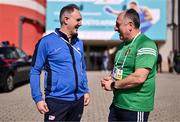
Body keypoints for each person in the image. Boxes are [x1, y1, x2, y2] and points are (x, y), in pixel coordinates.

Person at [30, 4, 90, 121]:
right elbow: (35, 71)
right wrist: (38, 98)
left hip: (78, 101)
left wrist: (85, 91)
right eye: (78, 20)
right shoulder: (46, 42)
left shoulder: (79, 43)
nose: (81, 23)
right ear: (66, 20)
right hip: (56, 101)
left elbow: (82, 69)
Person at [101, 9, 157, 122]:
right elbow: (121, 70)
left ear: (130, 25)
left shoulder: (146, 44)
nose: (115, 28)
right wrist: (112, 77)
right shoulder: (122, 46)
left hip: (135, 108)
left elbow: (139, 77)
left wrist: (112, 85)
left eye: (118, 24)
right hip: (117, 105)